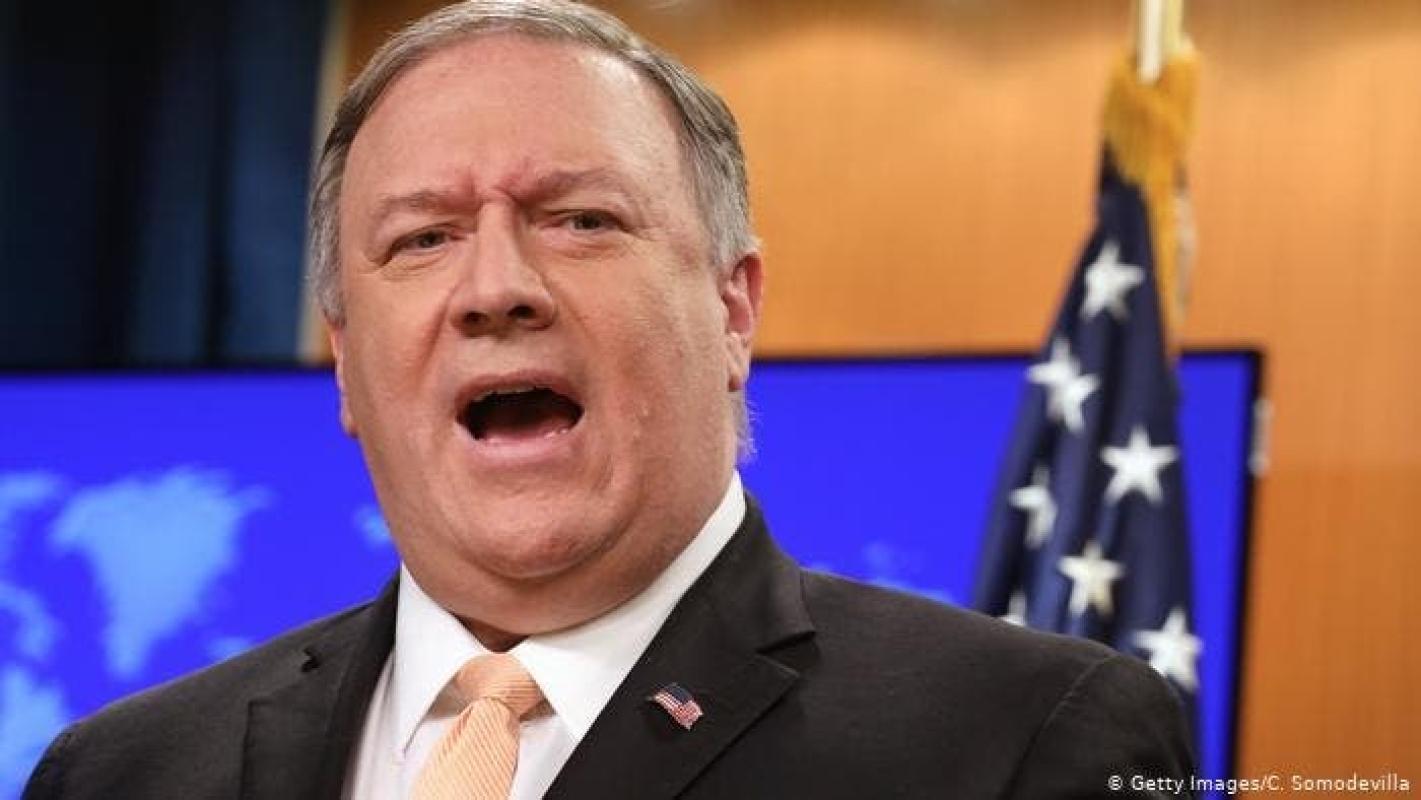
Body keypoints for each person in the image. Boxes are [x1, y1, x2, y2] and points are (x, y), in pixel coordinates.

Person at [24, 1, 1195, 798]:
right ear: (343, 358)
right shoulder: (123, 771)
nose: (494, 287)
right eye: (422, 238)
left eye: (579, 220)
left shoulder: (1025, 740)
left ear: (732, 308)